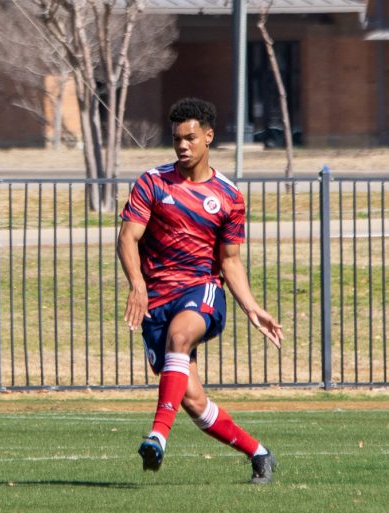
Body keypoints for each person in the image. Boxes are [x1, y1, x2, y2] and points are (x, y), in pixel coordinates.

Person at [116, 98, 284, 484]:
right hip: (156, 300)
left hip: (201, 290)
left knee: (180, 336)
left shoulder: (228, 196)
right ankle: (259, 454)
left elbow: (230, 261)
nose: (182, 145)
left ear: (208, 137)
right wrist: (138, 285)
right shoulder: (152, 183)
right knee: (192, 400)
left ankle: (157, 436)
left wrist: (252, 308)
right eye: (177, 138)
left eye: (190, 138)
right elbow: (127, 238)